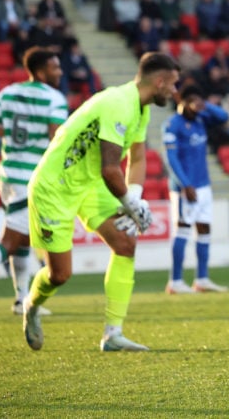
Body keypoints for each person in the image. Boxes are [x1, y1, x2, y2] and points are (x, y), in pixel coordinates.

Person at [23, 52, 180, 352]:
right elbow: (111, 169)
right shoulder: (118, 104)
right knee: (60, 274)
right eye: (172, 85)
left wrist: (134, 194)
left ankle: (113, 334)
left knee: (125, 244)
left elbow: (137, 157)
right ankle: (30, 306)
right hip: (55, 186)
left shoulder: (140, 107)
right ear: (159, 82)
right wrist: (130, 205)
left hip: (90, 183)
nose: (175, 91)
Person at [0, 48, 67, 316]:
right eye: (54, 67)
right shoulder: (54, 99)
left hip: (7, 174)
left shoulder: (7, 94)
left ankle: (20, 299)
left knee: (23, 240)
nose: (59, 72)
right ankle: (22, 298)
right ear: (40, 71)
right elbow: (56, 140)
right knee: (11, 241)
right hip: (31, 178)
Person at [162, 85, 229, 294]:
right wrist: (185, 184)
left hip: (204, 185)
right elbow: (171, 158)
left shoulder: (201, 119)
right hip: (185, 188)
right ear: (180, 100)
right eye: (192, 100)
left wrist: (205, 103)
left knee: (204, 230)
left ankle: (201, 279)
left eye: (199, 100)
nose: (197, 104)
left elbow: (224, 116)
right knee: (182, 230)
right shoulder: (172, 124)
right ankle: (175, 282)